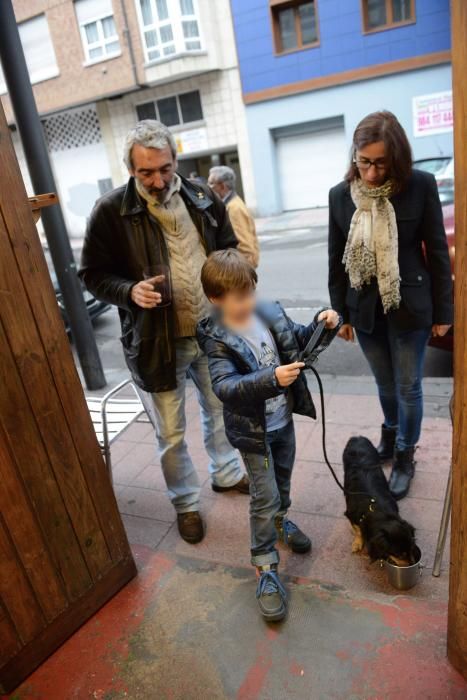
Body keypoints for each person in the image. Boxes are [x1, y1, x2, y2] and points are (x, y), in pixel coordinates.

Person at [80, 120, 249, 546]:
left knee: (220, 412)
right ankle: (185, 503)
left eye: (165, 169)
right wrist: (129, 291)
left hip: (211, 334)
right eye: (146, 173)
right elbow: (92, 274)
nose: (158, 180)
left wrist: (232, 287)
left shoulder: (200, 195)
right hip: (157, 343)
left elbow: (228, 247)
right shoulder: (110, 211)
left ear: (176, 161)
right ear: (131, 170)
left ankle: (226, 473)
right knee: (171, 433)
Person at [197, 249, 339, 621]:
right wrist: (270, 379)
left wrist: (323, 325)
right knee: (264, 496)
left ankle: (280, 521)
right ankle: (265, 567)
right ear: (215, 299)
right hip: (253, 434)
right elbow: (225, 386)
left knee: (283, 484)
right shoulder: (217, 339)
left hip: (283, 423)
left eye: (249, 293)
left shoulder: (269, 313)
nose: (246, 302)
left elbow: (300, 343)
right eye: (237, 297)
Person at [328, 111, 453, 500]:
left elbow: (436, 251)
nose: (370, 172)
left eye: (380, 163)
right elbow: (335, 259)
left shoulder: (420, 185)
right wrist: (340, 314)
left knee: (409, 385)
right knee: (384, 385)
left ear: (396, 156)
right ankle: (391, 431)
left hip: (410, 306)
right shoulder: (339, 195)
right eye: (363, 161)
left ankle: (404, 454)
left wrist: (445, 313)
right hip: (363, 308)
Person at [208, 165, 260, 268]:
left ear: (222, 186)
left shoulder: (233, 208)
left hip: (241, 271)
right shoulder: (230, 205)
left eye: (211, 184)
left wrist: (242, 275)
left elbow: (245, 247)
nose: (208, 187)